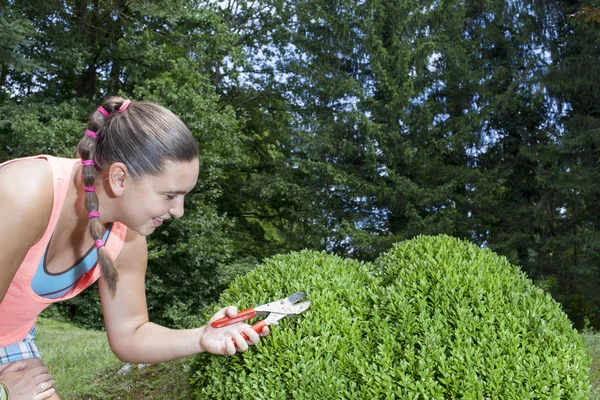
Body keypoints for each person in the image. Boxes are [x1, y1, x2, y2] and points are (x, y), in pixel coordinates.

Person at [0, 97, 269, 400]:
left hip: (11, 338)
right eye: (169, 195)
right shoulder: (23, 194)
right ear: (119, 178)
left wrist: (202, 337)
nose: (178, 211)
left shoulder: (126, 240)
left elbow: (130, 334)